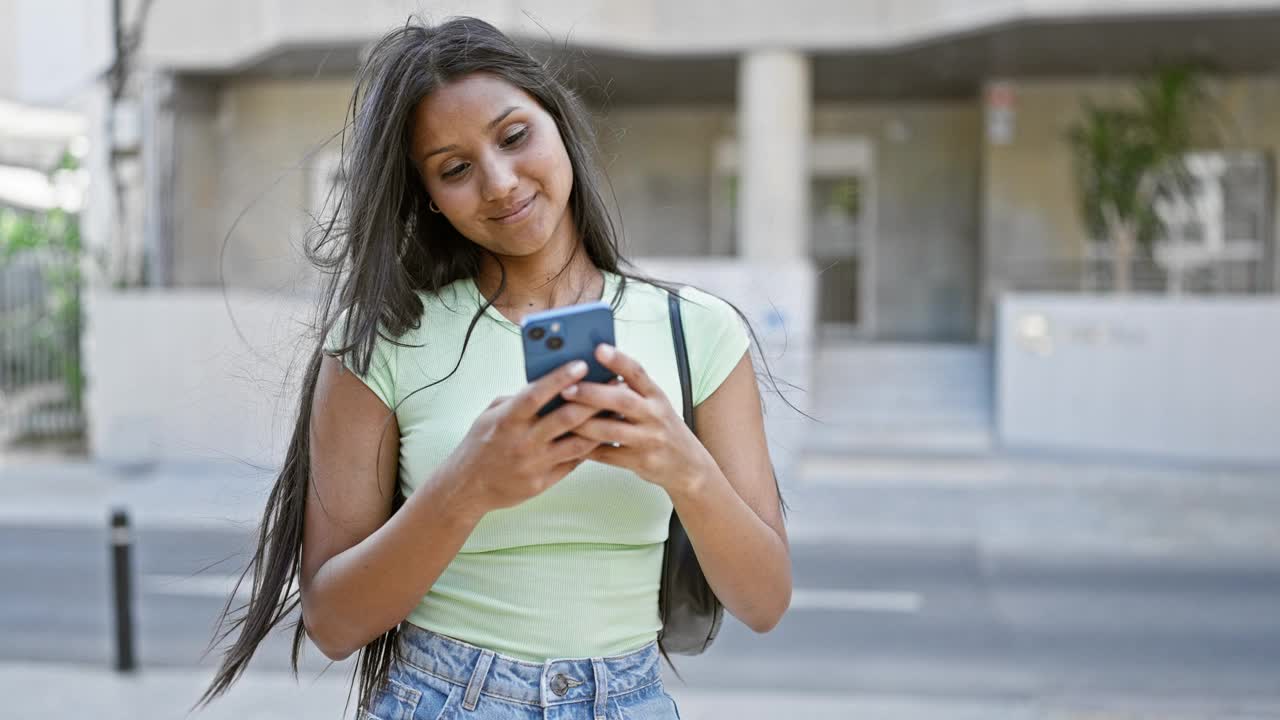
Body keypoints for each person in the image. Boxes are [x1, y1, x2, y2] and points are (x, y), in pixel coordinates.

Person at [198, 15, 791, 719]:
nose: (501, 182)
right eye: (455, 168)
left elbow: (765, 601)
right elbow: (333, 622)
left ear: (558, 122)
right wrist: (468, 486)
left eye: (514, 137)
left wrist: (680, 463)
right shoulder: (378, 344)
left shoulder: (696, 329)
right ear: (428, 196)